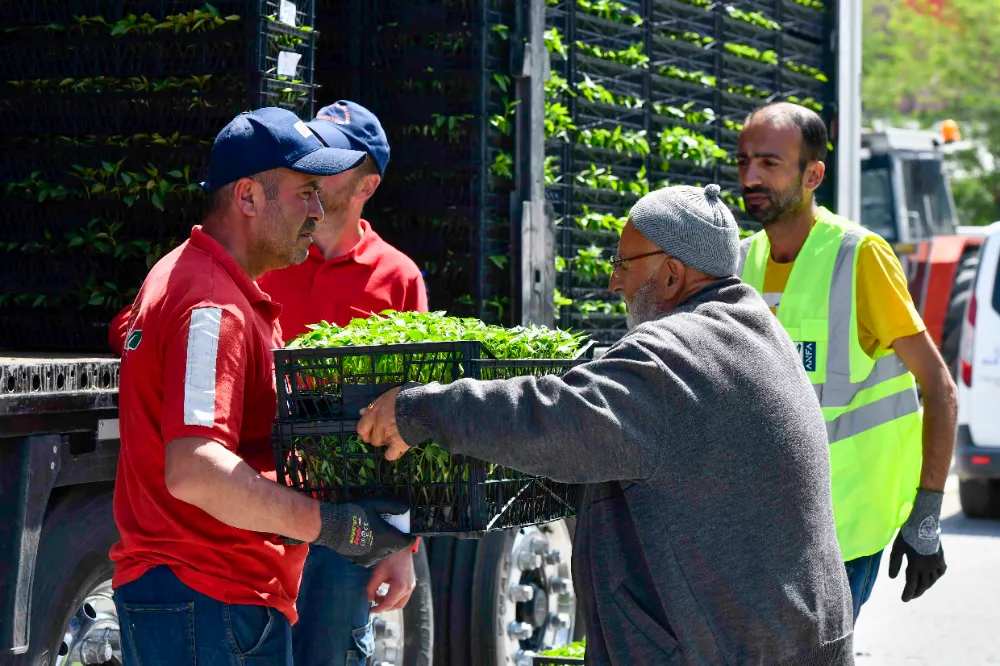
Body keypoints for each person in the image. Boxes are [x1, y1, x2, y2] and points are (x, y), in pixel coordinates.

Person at [356, 183, 855, 665]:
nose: (614, 281)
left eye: (623, 263)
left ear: (671, 274)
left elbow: (554, 420)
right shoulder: (754, 331)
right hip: (795, 639)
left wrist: (421, 410)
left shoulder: (673, 359)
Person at [109, 107, 415, 666]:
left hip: (203, 600)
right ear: (247, 197)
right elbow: (196, 468)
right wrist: (334, 527)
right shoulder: (212, 306)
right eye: (305, 192)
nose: (317, 211)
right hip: (209, 600)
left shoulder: (199, 281)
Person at [735, 101, 957, 622]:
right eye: (744, 161)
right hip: (761, 529)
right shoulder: (741, 261)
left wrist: (925, 516)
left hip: (845, 529)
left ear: (813, 175)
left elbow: (939, 387)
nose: (750, 176)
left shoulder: (861, 257)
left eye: (769, 163)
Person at [257, 100, 427, 666]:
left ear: (366, 185)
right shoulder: (270, 254)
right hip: (259, 505)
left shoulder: (399, 278)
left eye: (331, 161)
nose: (314, 166)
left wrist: (403, 544)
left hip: (346, 524)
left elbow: (414, 422)